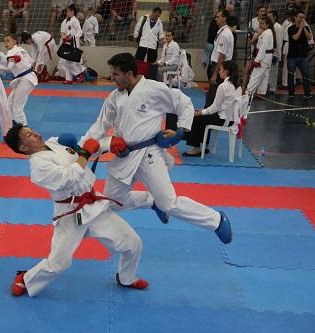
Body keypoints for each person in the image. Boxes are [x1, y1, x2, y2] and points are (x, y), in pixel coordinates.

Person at [79, 53, 233, 244]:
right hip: (124, 154)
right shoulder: (114, 97)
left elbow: (183, 102)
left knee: (169, 203)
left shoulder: (152, 89)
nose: (112, 78)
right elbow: (100, 125)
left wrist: (181, 131)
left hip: (149, 154)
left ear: (129, 74)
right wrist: (81, 149)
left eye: (116, 74)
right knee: (112, 201)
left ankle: (216, 220)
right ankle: (151, 202)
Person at [4, 125, 148, 297]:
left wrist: (107, 145)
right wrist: (85, 154)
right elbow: (68, 178)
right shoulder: (38, 167)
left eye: (33, 130)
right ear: (23, 147)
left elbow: (80, 150)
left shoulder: (54, 142)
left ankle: (126, 278)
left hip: (93, 205)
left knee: (133, 243)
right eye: (29, 135)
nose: (35, 133)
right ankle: (27, 278)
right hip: (70, 212)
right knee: (59, 263)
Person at [183, 60, 240, 156]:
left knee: (195, 118)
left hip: (223, 119)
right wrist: (202, 112)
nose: (219, 71)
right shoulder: (237, 86)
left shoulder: (223, 86)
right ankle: (205, 145)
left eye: (221, 69)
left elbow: (214, 108)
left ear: (226, 71)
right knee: (204, 117)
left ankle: (196, 148)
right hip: (232, 119)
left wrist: (199, 113)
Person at [2, 34, 38, 126]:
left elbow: (9, 67)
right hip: (25, 78)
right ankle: (15, 124)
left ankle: (24, 128)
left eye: (8, 40)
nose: (6, 43)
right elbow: (31, 62)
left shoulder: (12, 52)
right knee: (9, 103)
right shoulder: (21, 50)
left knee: (17, 107)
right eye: (4, 41)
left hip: (26, 79)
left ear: (14, 41)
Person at [205, 9, 234, 108]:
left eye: (218, 17)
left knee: (213, 94)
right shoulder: (222, 31)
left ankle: (208, 116)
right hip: (219, 65)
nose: (216, 19)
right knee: (214, 93)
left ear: (224, 18)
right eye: (216, 17)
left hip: (220, 66)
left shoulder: (225, 34)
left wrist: (215, 73)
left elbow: (222, 56)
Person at [245, 16, 276, 99]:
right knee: (265, 76)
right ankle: (261, 92)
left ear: (268, 24)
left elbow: (263, 48)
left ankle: (248, 92)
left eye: (262, 24)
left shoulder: (267, 33)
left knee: (255, 75)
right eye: (260, 24)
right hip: (267, 57)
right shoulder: (267, 32)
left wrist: (257, 60)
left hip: (263, 57)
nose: (260, 25)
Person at [287, 10, 313, 99]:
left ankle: (307, 93)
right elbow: (295, 38)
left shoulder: (306, 27)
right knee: (291, 74)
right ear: (295, 17)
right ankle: (291, 93)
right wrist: (300, 28)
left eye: (304, 17)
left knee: (306, 74)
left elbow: (309, 37)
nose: (302, 19)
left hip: (302, 55)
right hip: (292, 55)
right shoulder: (290, 28)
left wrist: (304, 28)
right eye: (300, 17)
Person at [57, 4, 86, 84]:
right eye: (67, 11)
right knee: (66, 61)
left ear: (72, 12)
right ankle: (69, 79)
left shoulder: (75, 20)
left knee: (67, 62)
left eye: (68, 11)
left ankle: (79, 74)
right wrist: (66, 37)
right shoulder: (68, 21)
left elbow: (80, 32)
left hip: (74, 43)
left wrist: (71, 37)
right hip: (68, 43)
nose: (67, 13)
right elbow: (68, 32)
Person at [266, 9, 283, 96]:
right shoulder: (271, 27)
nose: (268, 19)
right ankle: (269, 88)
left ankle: (271, 89)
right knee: (269, 73)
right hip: (269, 54)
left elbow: (278, 42)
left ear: (275, 17)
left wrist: (276, 55)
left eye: (270, 17)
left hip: (274, 54)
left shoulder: (277, 27)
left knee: (273, 73)